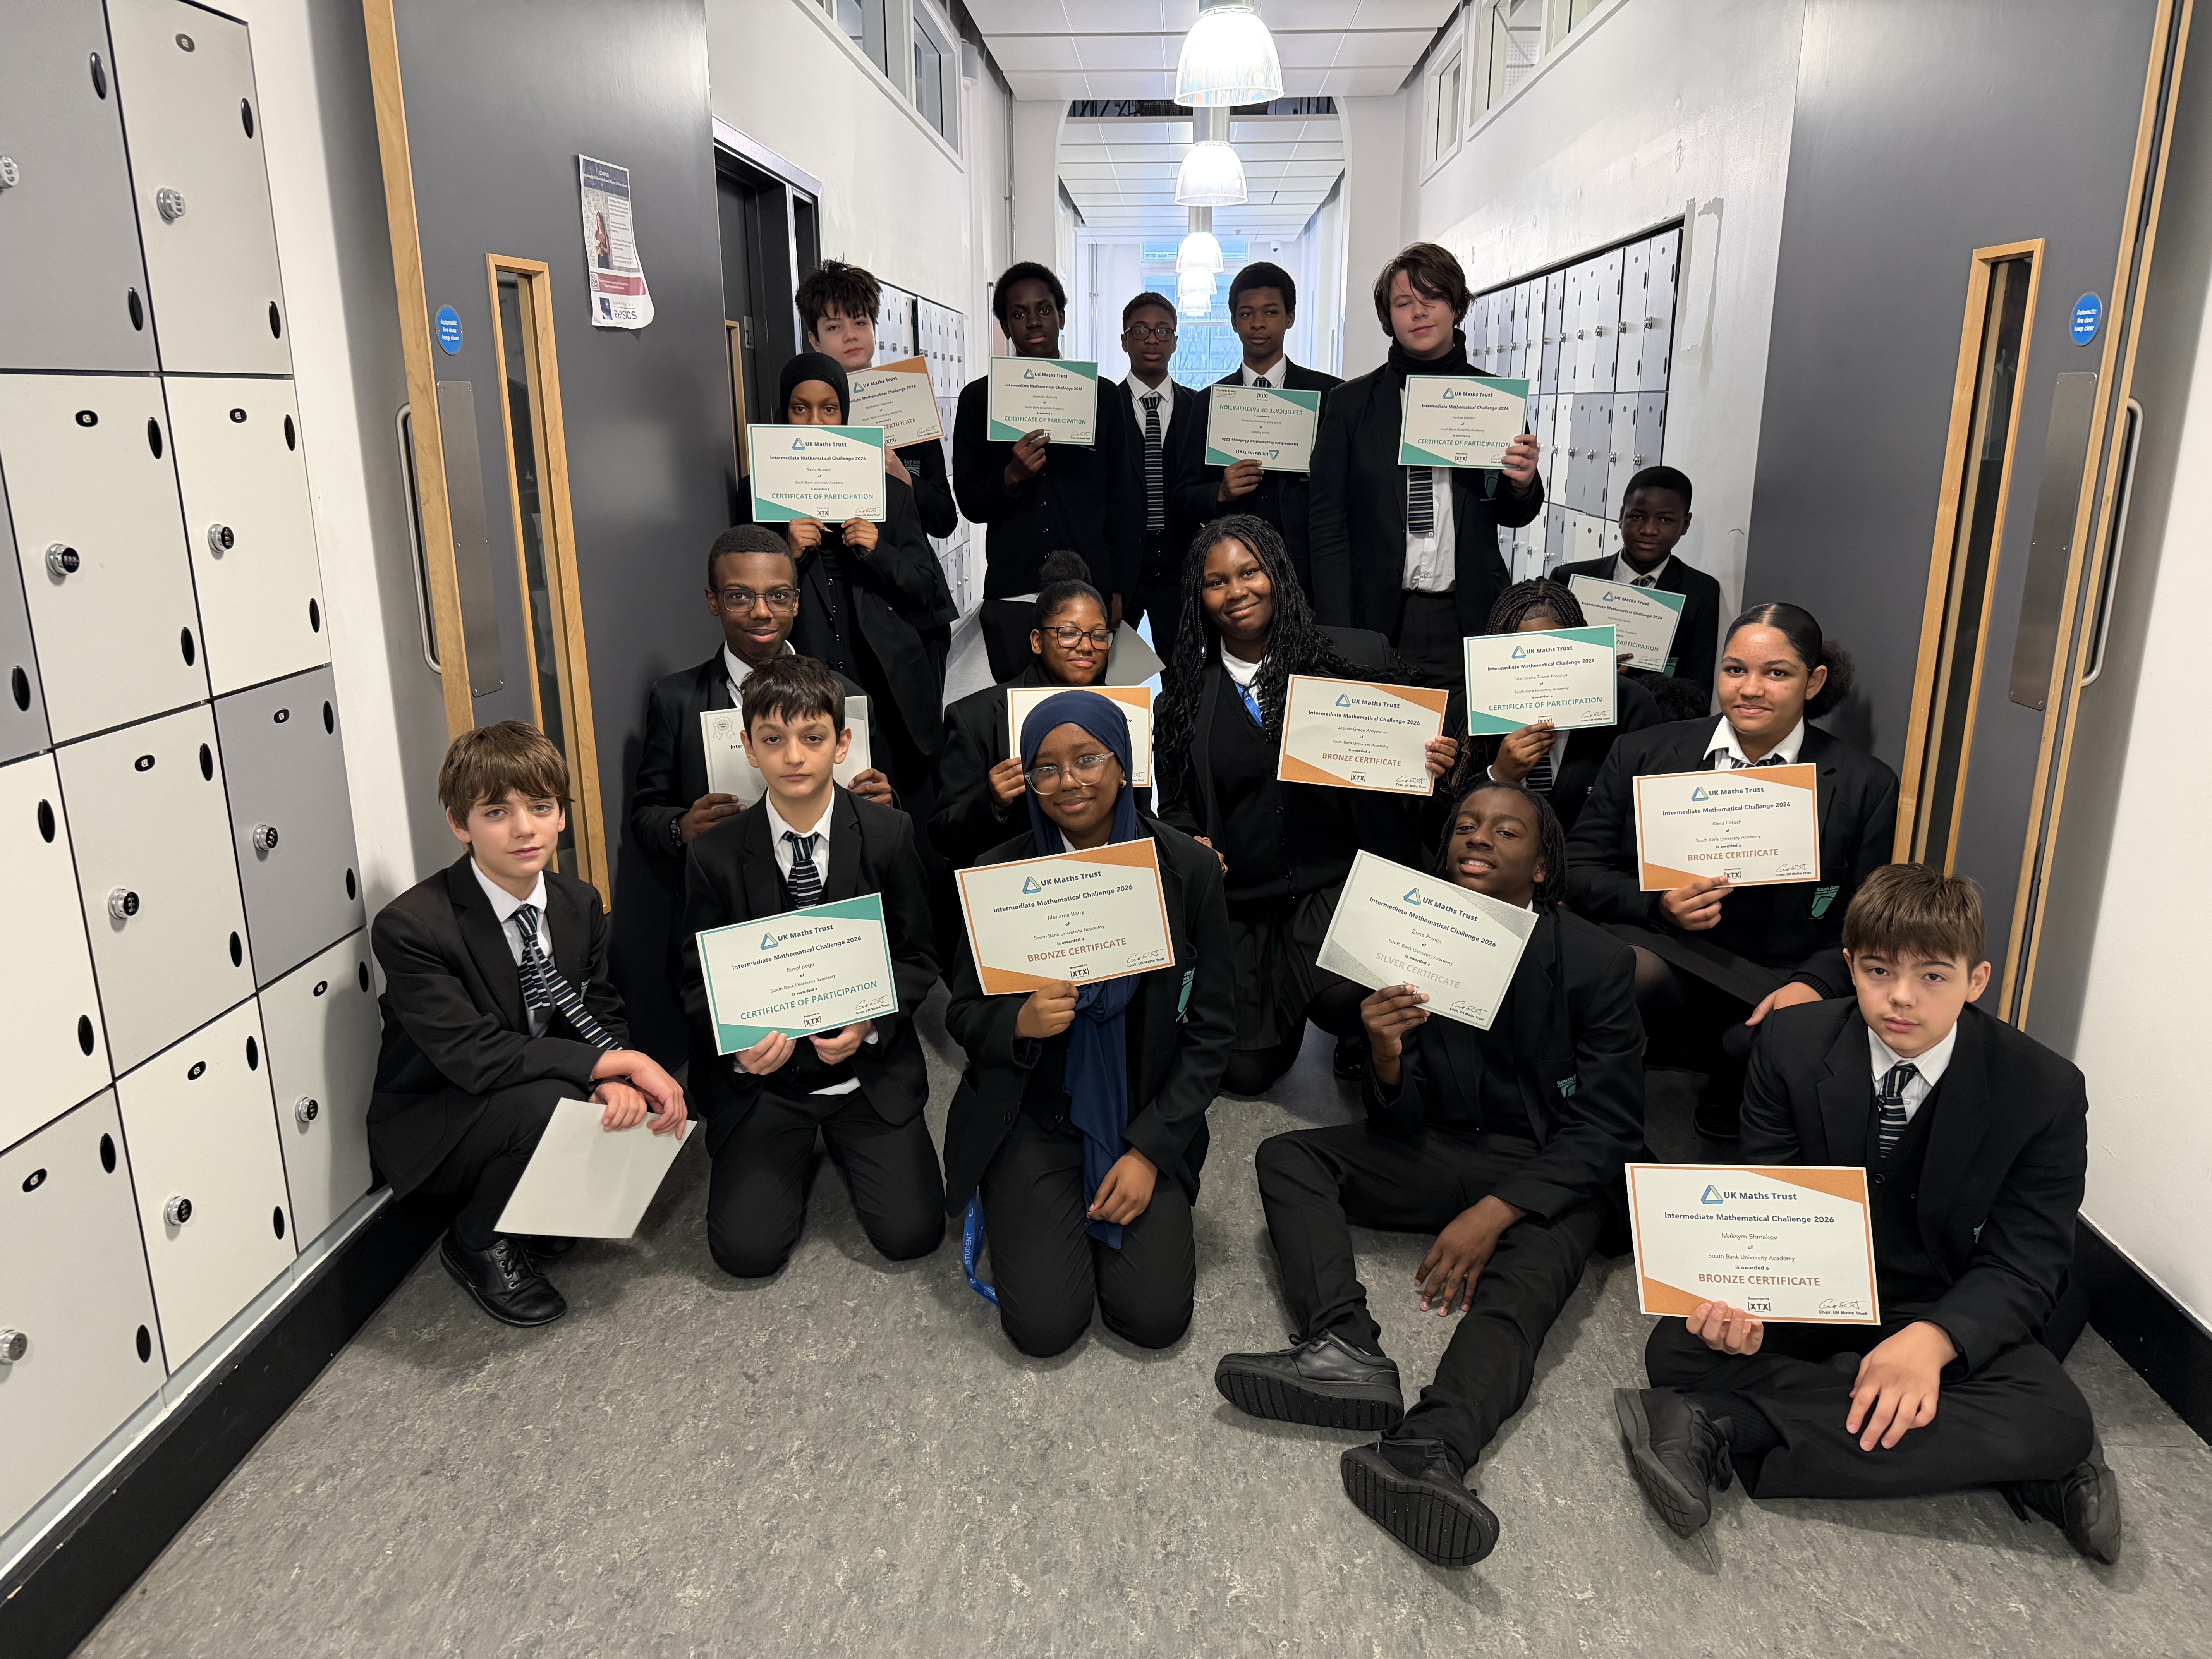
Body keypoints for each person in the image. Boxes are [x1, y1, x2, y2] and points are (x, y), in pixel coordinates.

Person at [1616, 863, 2118, 1563]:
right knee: (1677, 1350)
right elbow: (1772, 1199)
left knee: (2057, 1419)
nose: (1902, 996)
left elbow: (2025, 1261)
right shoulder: (1790, 1044)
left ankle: (1730, 1425)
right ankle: (2014, 1460)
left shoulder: (2044, 1087)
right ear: (1850, 966)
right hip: (1815, 1284)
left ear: (1976, 980)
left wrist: (1932, 1341)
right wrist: (1746, 1294)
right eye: (1879, 971)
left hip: (1942, 1291)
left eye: (1933, 976)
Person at [1217, 780, 1643, 1567]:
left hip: (1549, 1164)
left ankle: (1432, 1447)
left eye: (1506, 831)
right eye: (1466, 826)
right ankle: (1344, 1347)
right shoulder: (1411, 945)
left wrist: (1497, 1211)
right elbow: (1400, 1120)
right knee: (1287, 1155)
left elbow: (1610, 1127)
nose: (1478, 838)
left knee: (1523, 1292)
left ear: (1542, 865)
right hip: (1444, 1144)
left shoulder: (1596, 961)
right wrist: (1385, 1054)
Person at [941, 691, 1234, 1357]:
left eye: (1087, 759)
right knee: (1045, 1327)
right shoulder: (998, 873)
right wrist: (1018, 1020)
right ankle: (1022, 1194)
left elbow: (1213, 1027)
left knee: (1153, 1318)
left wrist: (1150, 1151)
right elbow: (962, 1012)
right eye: (1045, 767)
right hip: (1032, 1115)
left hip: (1144, 1113)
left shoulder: (1187, 869)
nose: (1068, 781)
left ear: (1123, 762)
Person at [369, 722, 687, 1327]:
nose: (524, 828)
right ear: (460, 824)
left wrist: (612, 1074)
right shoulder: (412, 926)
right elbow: (473, 1054)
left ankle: (534, 1206)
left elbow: (597, 1008)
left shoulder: (577, 902)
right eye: (497, 812)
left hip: (528, 1084)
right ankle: (476, 1240)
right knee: (554, 1103)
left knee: (620, 1092)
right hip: (441, 1115)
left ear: (562, 816)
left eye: (541, 807)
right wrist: (605, 1066)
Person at [1566, 602, 1899, 1141]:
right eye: (1735, 669)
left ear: (1814, 682)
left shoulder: (1866, 784)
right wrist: (1658, 904)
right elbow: (1579, 869)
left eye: (1777, 673)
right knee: (1617, 969)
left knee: (1764, 1055)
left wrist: (1814, 983)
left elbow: (1864, 922)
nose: (1750, 689)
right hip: (1669, 949)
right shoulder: (1645, 751)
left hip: (1778, 971)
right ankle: (1592, 1131)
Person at [1155, 515, 1450, 1093]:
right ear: (1199, 596)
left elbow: (1409, 775)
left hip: (1339, 887)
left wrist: (1434, 762)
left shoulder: (1355, 656)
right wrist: (1191, 838)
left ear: (1278, 574)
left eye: (1250, 572)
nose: (1236, 592)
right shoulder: (1184, 693)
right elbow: (1178, 806)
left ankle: (1356, 1032)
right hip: (1247, 903)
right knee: (1244, 1074)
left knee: (1348, 1002)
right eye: (1216, 582)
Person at [675, 656, 944, 1277]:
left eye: (813, 738)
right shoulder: (714, 855)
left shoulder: (889, 834)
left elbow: (918, 956)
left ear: (842, 744)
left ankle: (849, 1137)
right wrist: (739, 1046)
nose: (794, 756)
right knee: (746, 1254)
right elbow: (695, 978)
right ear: (748, 748)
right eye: (773, 740)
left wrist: (870, 1022)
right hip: (767, 1083)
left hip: (863, 1074)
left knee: (913, 1234)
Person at [1309, 243, 1546, 688]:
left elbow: (1514, 514)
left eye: (1432, 298)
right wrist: (1337, 630)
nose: (1419, 313)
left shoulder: (1495, 401)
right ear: (1389, 317)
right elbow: (1326, 525)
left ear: (1457, 306)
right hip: (1374, 619)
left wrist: (1522, 484)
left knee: (1462, 732)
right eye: (1403, 303)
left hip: (1466, 617)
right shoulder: (1351, 405)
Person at [744, 352, 946, 813]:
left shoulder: (890, 491)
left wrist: (878, 551)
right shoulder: (758, 496)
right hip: (804, 684)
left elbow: (925, 590)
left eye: (829, 409)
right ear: (784, 413)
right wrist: (788, 554)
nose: (816, 422)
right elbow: (749, 601)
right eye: (801, 409)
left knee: (898, 808)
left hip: (889, 687)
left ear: (846, 414)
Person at [630, 524, 893, 878]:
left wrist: (882, 802)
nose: (762, 612)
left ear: (796, 602)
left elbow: (878, 803)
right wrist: (682, 827)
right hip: (727, 891)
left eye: (778, 596)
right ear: (713, 601)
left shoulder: (848, 696)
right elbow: (647, 814)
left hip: (833, 891)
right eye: (740, 597)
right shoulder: (675, 700)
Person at [953, 261, 1134, 679]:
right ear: (1005, 326)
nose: (1033, 321)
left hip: (1089, 589)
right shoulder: (978, 400)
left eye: (1045, 310)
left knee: (1084, 706)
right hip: (1013, 590)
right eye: (1019, 313)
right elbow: (971, 503)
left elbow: (1123, 500)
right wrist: (1011, 476)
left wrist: (1119, 588)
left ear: (1062, 317)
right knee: (1016, 705)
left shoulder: (1103, 398)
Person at [794, 259, 960, 689]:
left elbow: (944, 520)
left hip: (909, 608)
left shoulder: (909, 409)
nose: (851, 335)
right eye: (834, 327)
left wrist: (901, 475)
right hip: (835, 619)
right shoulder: (801, 419)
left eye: (861, 322)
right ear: (814, 339)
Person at [930, 549, 1112, 869]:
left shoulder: (1123, 713)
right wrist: (992, 802)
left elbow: (1140, 814)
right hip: (1019, 884)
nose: (1086, 646)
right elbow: (943, 834)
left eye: (1098, 635)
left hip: (1103, 878)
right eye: (1069, 633)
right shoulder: (976, 718)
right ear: (1037, 641)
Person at [1171, 260, 1341, 601]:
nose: (1258, 323)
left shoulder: (1330, 397)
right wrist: (1220, 492)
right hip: (1234, 578)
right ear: (1234, 321)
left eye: (1271, 312)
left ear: (1290, 317)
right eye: (1247, 314)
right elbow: (1183, 497)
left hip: (1308, 575)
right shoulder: (1209, 402)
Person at [1441, 577, 1662, 836]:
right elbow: (1441, 821)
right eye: (1521, 652)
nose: (1539, 665)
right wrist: (1498, 776)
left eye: (1554, 651)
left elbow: (1648, 809)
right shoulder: (1469, 710)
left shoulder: (1629, 703)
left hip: (1593, 856)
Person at [1552, 465, 1721, 697]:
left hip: (1655, 716)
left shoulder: (1701, 593)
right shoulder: (1568, 579)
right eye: (1638, 517)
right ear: (1621, 516)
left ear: (1685, 524)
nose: (1649, 530)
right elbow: (1546, 663)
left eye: (1665, 520)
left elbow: (1697, 690)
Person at [1107, 292, 1207, 665]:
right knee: (1111, 677)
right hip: (1122, 578)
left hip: (1183, 572)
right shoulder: (1104, 409)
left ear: (1175, 342)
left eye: (1163, 331)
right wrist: (1108, 584)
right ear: (1124, 340)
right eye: (1141, 330)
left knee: (1185, 678)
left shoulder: (1200, 409)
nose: (1152, 339)